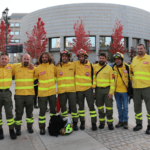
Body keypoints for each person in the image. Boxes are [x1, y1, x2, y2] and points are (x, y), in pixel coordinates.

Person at [55, 50, 78, 131]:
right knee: (63, 109)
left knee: (74, 108)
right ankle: (65, 122)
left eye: (66, 56)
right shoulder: (57, 66)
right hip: (61, 91)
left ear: (68, 57)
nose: (64, 57)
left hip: (72, 90)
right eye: (63, 56)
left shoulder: (73, 65)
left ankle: (75, 123)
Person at [74, 49, 97, 131]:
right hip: (79, 90)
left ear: (85, 57)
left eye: (82, 56)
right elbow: (67, 65)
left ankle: (94, 123)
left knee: (92, 107)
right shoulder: (75, 64)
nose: (80, 58)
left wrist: (93, 85)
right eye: (79, 57)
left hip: (88, 89)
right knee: (81, 108)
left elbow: (94, 77)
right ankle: (82, 123)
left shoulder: (91, 66)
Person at [34, 52, 56, 135]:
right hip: (42, 94)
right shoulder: (38, 68)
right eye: (43, 57)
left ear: (48, 58)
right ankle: (42, 127)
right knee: (42, 112)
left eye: (46, 57)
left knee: (53, 111)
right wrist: (37, 83)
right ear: (41, 58)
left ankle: (53, 126)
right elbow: (33, 78)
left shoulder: (53, 67)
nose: (44, 58)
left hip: (52, 93)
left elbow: (57, 75)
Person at [130, 43, 150, 134]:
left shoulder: (149, 59)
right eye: (138, 49)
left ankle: (149, 126)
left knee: (149, 108)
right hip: (136, 88)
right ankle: (139, 124)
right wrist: (131, 80)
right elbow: (131, 72)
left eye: (141, 48)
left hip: (147, 87)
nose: (139, 50)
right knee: (137, 108)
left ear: (144, 49)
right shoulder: (134, 59)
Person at [13, 53, 35, 136]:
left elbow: (39, 73)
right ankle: (18, 129)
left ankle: (30, 127)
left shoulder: (33, 68)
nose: (26, 60)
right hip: (19, 95)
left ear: (30, 60)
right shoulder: (16, 67)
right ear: (22, 59)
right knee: (18, 112)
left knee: (29, 112)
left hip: (30, 94)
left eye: (28, 59)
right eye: (25, 59)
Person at [93, 52, 115, 130]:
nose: (101, 60)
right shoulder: (94, 67)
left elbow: (112, 81)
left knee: (109, 108)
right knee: (100, 108)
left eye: (103, 58)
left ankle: (110, 123)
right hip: (98, 90)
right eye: (100, 58)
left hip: (107, 90)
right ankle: (102, 123)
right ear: (98, 58)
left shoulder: (109, 68)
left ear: (106, 59)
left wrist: (111, 92)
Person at [0, 53, 17, 140]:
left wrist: (31, 64)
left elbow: (22, 64)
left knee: (9, 113)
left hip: (7, 93)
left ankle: (11, 130)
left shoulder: (11, 67)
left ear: (8, 60)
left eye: (5, 59)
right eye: (2, 58)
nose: (4, 60)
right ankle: (0, 131)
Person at [113, 52, 130, 129]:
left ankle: (125, 122)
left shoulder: (127, 67)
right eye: (116, 59)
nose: (117, 61)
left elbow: (131, 78)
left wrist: (131, 90)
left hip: (125, 92)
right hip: (116, 92)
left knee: (125, 107)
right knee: (119, 107)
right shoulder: (113, 68)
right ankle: (120, 121)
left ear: (122, 59)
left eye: (119, 59)